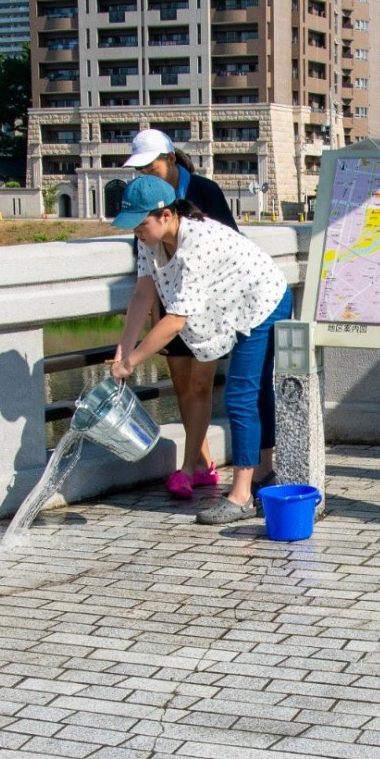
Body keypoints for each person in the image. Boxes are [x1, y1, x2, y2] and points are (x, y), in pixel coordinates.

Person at [109, 174, 293, 526]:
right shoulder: (150, 242)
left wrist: (131, 362)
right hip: (232, 305)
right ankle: (263, 476)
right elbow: (142, 294)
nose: (137, 232)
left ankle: (242, 496)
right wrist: (123, 348)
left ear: (166, 215)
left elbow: (176, 321)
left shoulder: (197, 242)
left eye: (141, 224)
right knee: (252, 392)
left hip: (262, 301)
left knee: (241, 394)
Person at [123, 129, 238, 500]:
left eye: (151, 166)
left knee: (202, 385)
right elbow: (145, 279)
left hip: (209, 307)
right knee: (184, 387)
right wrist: (138, 336)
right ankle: (202, 463)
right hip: (171, 308)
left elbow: (230, 245)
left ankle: (190, 468)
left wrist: (132, 356)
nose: (146, 173)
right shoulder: (142, 206)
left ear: (170, 159)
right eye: (140, 168)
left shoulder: (204, 191)